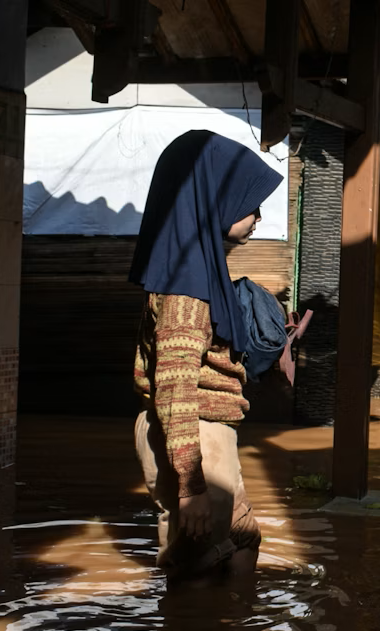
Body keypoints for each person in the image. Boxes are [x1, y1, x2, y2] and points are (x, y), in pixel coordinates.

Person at [129, 130, 283, 581]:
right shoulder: (188, 287)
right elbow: (176, 388)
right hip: (193, 434)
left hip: (201, 434)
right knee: (199, 565)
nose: (257, 216)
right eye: (248, 202)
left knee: (239, 541)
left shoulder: (194, 268)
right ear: (218, 200)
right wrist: (191, 486)